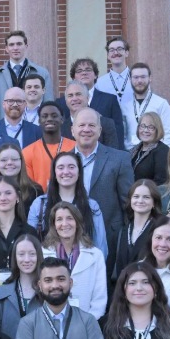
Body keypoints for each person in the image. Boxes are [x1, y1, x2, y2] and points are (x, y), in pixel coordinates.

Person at [72, 108, 135, 280]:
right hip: (70, 238)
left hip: (109, 238)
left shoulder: (119, 159)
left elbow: (128, 203)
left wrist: (128, 240)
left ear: (100, 131)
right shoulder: (63, 161)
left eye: (92, 125)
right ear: (73, 130)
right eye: (82, 125)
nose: (86, 129)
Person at [29, 151, 108, 260]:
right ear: (54, 173)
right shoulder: (39, 204)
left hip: (84, 269)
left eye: (71, 167)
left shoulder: (91, 206)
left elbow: (101, 247)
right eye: (60, 167)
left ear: (79, 172)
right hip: (48, 269)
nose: (66, 172)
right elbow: (30, 243)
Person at [40, 201, 108, 319]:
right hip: (51, 322)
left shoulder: (96, 255)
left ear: (77, 222)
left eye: (69, 218)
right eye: (59, 219)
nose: (64, 223)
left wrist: (88, 323)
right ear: (54, 225)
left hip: (87, 323)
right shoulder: (42, 254)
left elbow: (99, 298)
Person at [111, 180, 162, 284]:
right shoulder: (123, 231)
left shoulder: (159, 229)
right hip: (123, 292)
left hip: (150, 289)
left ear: (154, 202)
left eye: (146, 197)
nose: (140, 200)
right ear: (130, 200)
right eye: (136, 196)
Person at [22, 99, 76, 190]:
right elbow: (30, 188)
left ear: (62, 120)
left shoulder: (75, 147)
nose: (49, 119)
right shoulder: (27, 152)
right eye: (45, 116)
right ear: (39, 121)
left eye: (54, 116)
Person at [122, 63, 170, 151]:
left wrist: (161, 153)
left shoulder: (161, 104)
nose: (139, 80)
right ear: (130, 79)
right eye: (135, 77)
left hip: (154, 154)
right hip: (130, 155)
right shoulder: (124, 106)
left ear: (150, 78)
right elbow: (123, 135)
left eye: (143, 77)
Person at [0, 30, 53, 107]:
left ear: (26, 46)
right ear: (6, 49)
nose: (15, 48)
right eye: (11, 45)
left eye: (19, 44)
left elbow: (49, 103)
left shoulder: (42, 73)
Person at [0, 142, 41, 224]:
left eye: (14, 159)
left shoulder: (35, 191)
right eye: (4, 160)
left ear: (21, 162)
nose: (9, 163)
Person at [130, 112, 170, 186]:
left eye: (151, 127)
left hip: (151, 195)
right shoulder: (133, 150)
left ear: (158, 130)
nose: (145, 130)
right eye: (142, 126)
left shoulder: (162, 151)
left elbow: (161, 181)